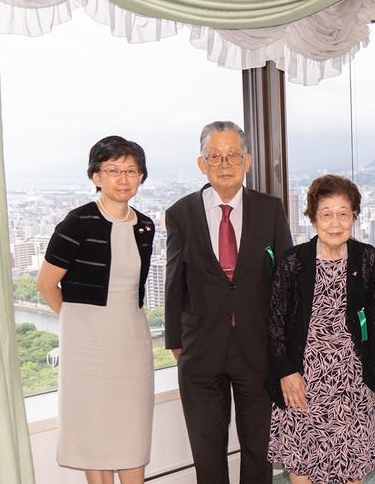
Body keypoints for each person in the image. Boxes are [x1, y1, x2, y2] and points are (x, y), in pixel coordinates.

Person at [164, 121, 293, 484]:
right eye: (215, 156)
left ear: (247, 161)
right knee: (207, 449)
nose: (224, 164)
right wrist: (176, 340)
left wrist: (282, 343)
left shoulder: (270, 208)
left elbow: (284, 279)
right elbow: (174, 281)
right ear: (201, 164)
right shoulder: (181, 213)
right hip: (200, 347)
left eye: (232, 155)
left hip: (257, 346)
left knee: (258, 448)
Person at [36, 136, 155, 484]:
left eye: (131, 170)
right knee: (94, 430)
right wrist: (77, 323)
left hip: (131, 339)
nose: (123, 178)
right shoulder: (77, 222)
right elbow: (46, 283)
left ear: (141, 177)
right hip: (86, 346)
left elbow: (133, 289)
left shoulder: (145, 225)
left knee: (132, 427)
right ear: (96, 176)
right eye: (113, 170)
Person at [267, 175, 375, 484]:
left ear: (355, 215)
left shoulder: (367, 258)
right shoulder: (293, 262)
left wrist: (373, 363)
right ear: (313, 218)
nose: (335, 223)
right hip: (303, 380)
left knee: (350, 464)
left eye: (343, 213)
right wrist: (286, 373)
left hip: (350, 381)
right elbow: (275, 323)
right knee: (304, 464)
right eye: (327, 214)